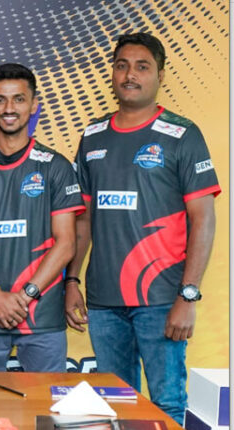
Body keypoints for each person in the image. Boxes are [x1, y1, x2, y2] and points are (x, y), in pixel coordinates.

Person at [65, 33, 219, 424]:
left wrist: (187, 295)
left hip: (161, 298)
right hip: (104, 301)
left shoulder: (183, 134)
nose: (130, 75)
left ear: (160, 75)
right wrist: (72, 280)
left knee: (166, 404)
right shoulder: (92, 137)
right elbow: (83, 219)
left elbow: (203, 218)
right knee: (115, 406)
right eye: (122, 66)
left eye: (142, 66)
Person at [0, 63, 84, 372]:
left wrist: (24, 296)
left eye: (19, 99)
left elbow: (66, 243)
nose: (9, 108)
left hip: (41, 315)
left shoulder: (55, 167)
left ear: (34, 105)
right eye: (0, 100)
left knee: (46, 402)